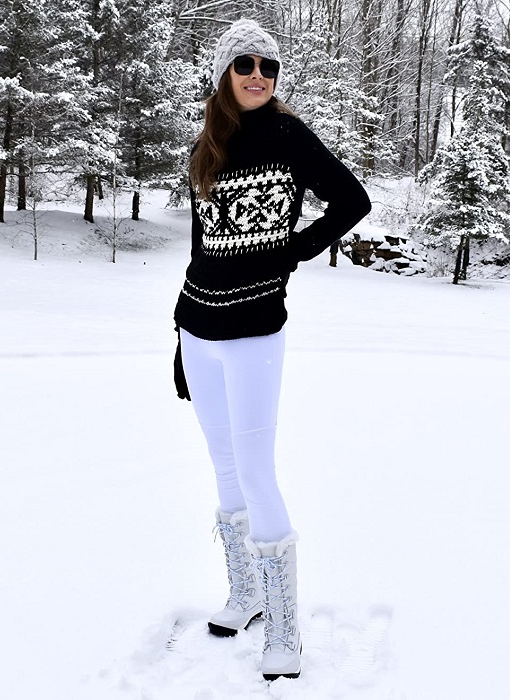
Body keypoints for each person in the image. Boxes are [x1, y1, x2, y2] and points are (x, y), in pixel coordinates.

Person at [172, 18, 371, 681]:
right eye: (246, 65)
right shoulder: (207, 143)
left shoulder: (288, 135)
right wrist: (182, 334)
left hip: (256, 332)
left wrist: (298, 247)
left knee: (256, 470)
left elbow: (353, 199)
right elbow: (202, 248)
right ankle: (248, 595)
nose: (259, 75)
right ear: (224, 75)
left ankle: (284, 629)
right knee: (224, 466)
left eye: (270, 66)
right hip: (197, 328)